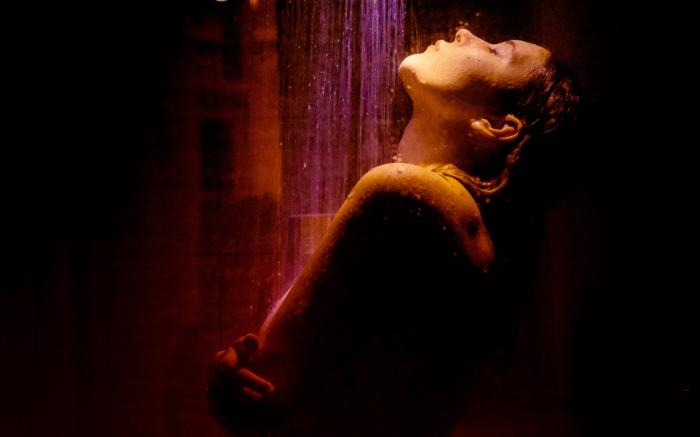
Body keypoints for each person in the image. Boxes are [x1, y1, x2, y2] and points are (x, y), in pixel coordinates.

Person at [207, 28, 581, 436]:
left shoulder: (404, 195)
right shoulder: (462, 222)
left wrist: (223, 390)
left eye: (495, 51)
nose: (464, 32)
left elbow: (265, 392)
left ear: (497, 125)